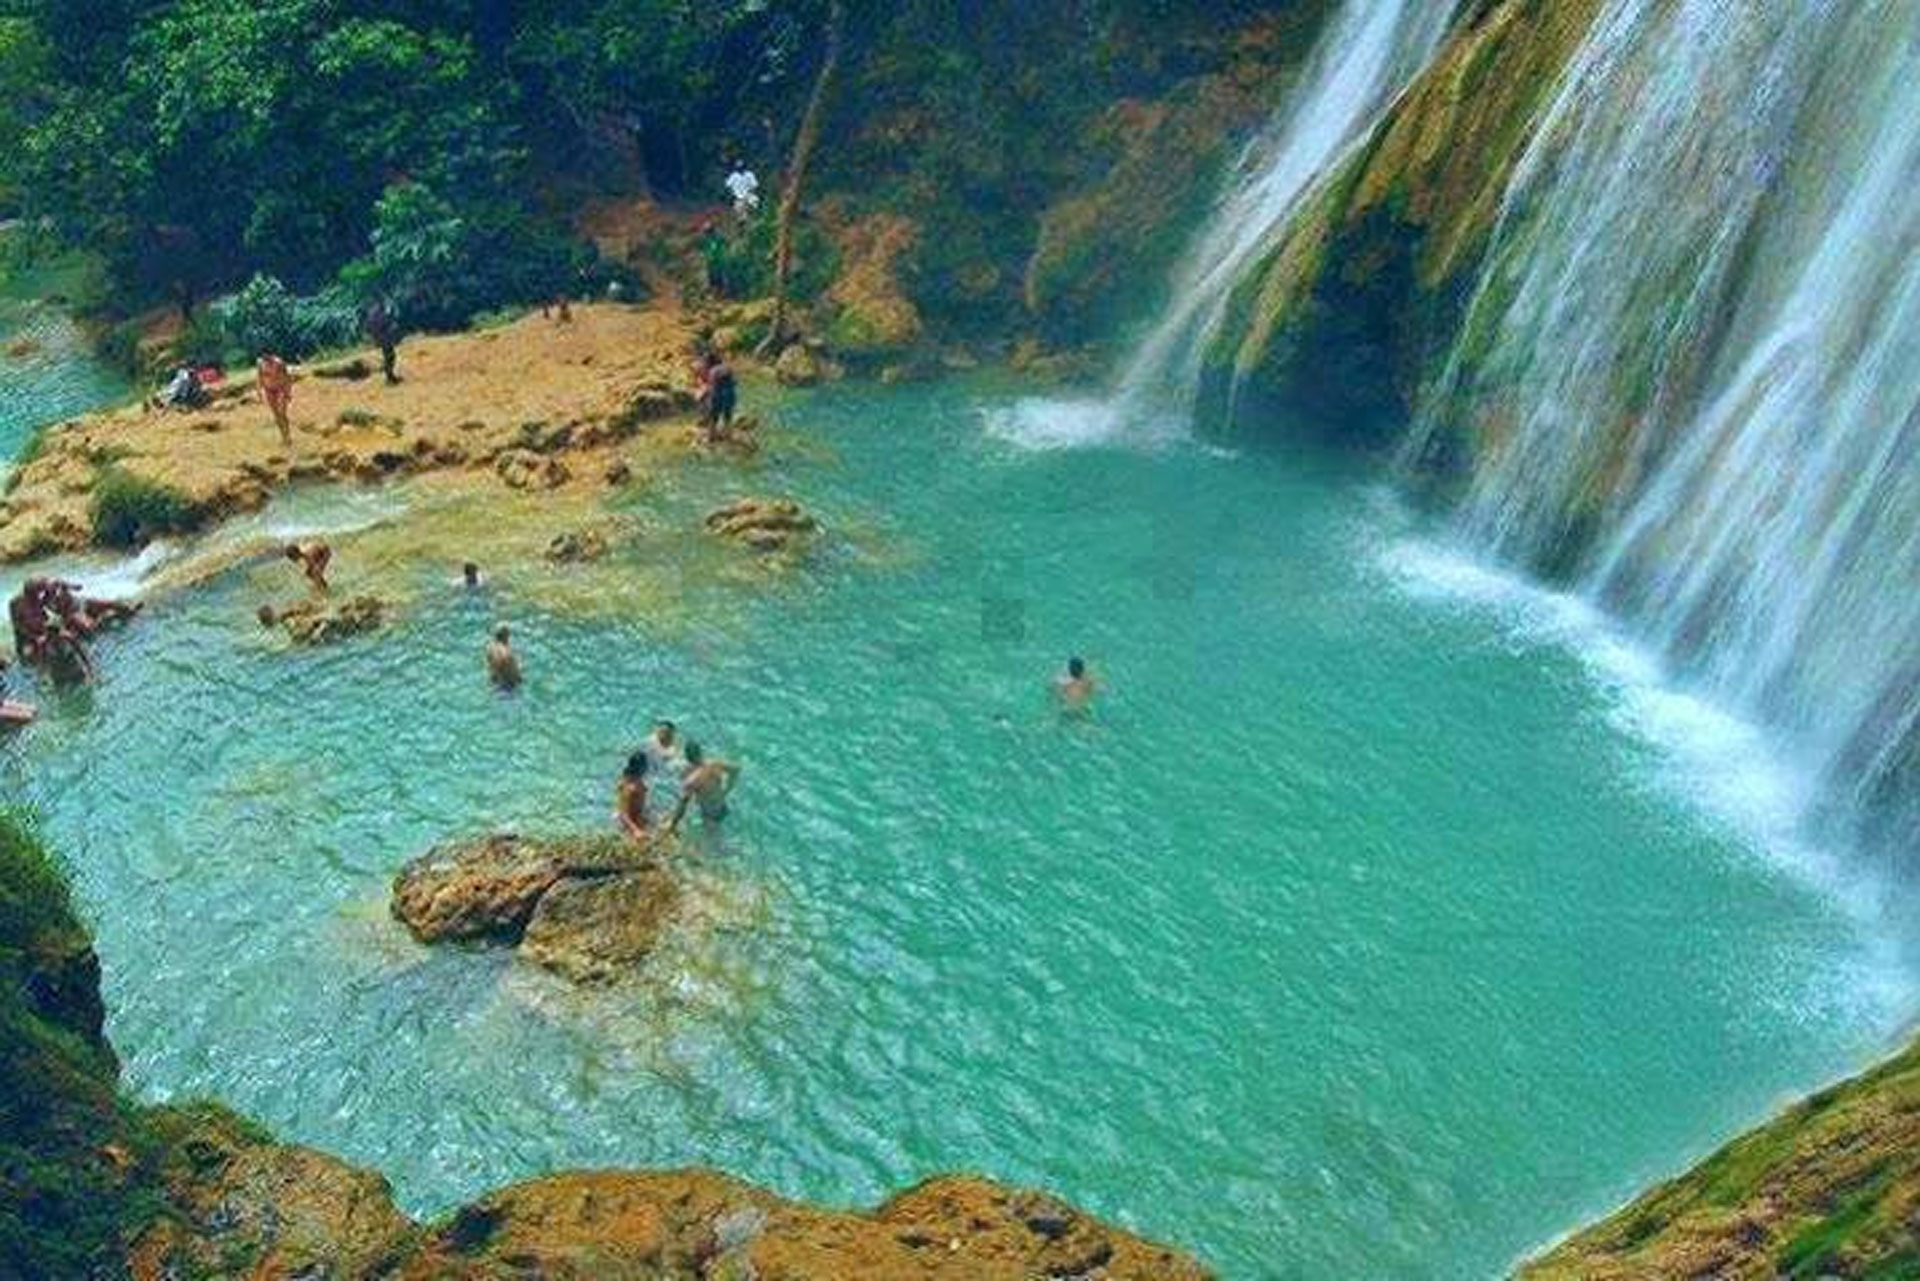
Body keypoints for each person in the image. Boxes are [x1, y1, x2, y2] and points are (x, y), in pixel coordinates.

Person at [667, 741, 741, 834]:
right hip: (723, 806)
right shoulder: (713, 764)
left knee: (714, 838)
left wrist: (672, 825)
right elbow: (736, 769)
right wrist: (726, 790)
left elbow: (683, 804)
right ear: (700, 752)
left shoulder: (693, 779)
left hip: (710, 813)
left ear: (687, 758)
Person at [696, 351, 737, 443]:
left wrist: (701, 396)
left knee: (714, 417)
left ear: (709, 362)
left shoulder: (713, 371)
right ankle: (728, 435)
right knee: (728, 415)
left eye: (704, 362)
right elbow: (735, 382)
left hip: (718, 394)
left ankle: (711, 437)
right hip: (730, 394)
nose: (704, 365)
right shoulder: (727, 368)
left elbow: (711, 387)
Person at [613, 752, 651, 845]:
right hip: (628, 825)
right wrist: (635, 831)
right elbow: (623, 814)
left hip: (636, 820)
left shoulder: (638, 782)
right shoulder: (630, 788)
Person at [257, 352, 295, 446]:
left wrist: (288, 392)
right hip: (269, 390)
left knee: (282, 413)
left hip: (280, 389)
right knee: (277, 415)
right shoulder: (261, 363)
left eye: (266, 356)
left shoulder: (279, 362)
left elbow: (287, 377)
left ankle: (288, 435)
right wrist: (259, 390)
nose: (265, 358)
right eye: (263, 356)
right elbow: (260, 377)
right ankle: (284, 437)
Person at [363, 301, 400, 385]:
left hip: (380, 338)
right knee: (390, 357)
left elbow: (367, 328)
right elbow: (387, 323)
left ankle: (390, 376)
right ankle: (389, 377)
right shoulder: (380, 314)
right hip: (385, 338)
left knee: (388, 356)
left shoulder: (372, 314)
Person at [485, 623, 522, 691]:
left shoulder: (490, 648)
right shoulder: (507, 651)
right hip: (508, 686)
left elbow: (488, 667)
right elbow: (514, 672)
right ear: (506, 636)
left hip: (494, 683)